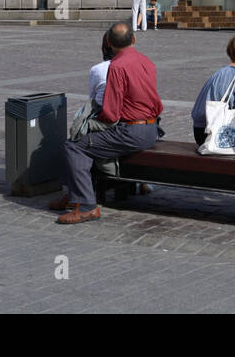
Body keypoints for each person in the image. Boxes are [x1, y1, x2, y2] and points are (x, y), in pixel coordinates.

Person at [51, 22, 162, 224]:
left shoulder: (117, 66)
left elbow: (111, 113)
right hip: (152, 128)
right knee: (87, 142)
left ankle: (85, 206)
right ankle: (77, 197)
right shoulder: (147, 61)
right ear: (134, 39)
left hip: (132, 131)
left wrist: (92, 122)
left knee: (75, 146)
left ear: (109, 43)